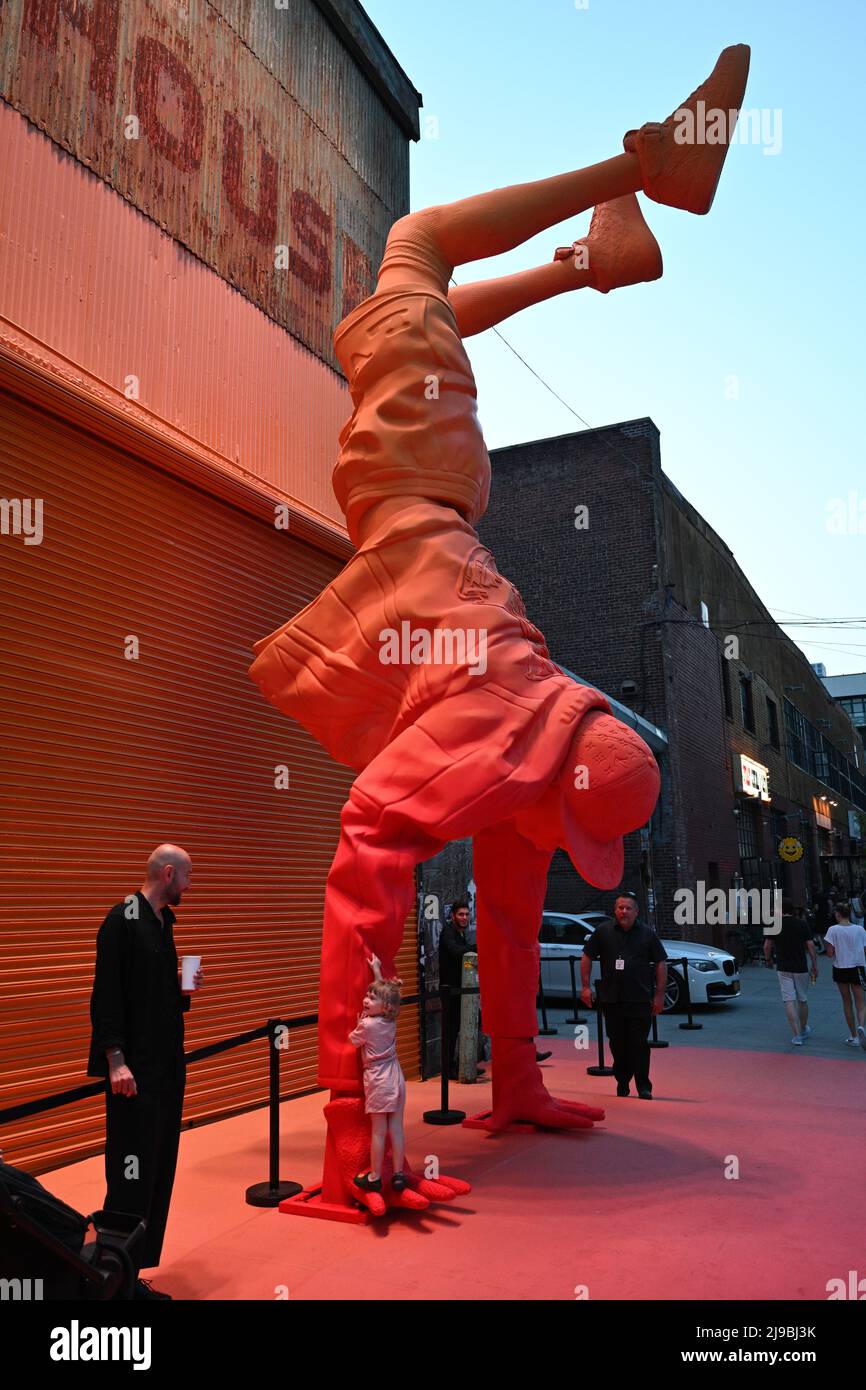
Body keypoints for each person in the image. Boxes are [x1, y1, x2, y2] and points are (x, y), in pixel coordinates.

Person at [248, 45, 749, 1207]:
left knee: (412, 256)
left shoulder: (526, 734)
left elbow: (370, 848)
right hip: (429, 522)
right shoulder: (527, 752)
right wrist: (576, 268)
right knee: (408, 269)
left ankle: (634, 179)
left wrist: (347, 1134)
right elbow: (473, 905)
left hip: (429, 520)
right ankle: (623, 202)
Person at [87, 845, 202, 1299]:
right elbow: (106, 996)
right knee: (131, 1172)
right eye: (187, 877)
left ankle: (133, 1273)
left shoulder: (164, 923)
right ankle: (115, 1278)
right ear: (168, 874)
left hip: (167, 1069)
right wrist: (115, 1059)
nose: (190, 887)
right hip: (133, 1074)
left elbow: (153, 996)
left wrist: (181, 987)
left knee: (157, 1171)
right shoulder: (120, 922)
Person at [580, 891, 667, 1098]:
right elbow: (587, 956)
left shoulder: (647, 934)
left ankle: (643, 1086)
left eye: (628, 908)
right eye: (620, 908)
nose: (624, 911)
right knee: (617, 1043)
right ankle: (622, 1081)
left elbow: (661, 963)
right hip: (611, 998)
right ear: (615, 910)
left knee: (639, 1044)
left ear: (636, 911)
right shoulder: (603, 932)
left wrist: (659, 995)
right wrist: (585, 987)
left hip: (639, 998)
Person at [349, 955, 407, 1194]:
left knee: (379, 1131)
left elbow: (353, 1041)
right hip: (396, 1076)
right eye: (367, 995)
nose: (366, 999)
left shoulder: (368, 1025)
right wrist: (377, 972)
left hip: (377, 1080)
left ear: (384, 1006)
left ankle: (374, 1176)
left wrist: (357, 1023)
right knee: (397, 1129)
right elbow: (386, 995)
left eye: (371, 997)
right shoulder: (389, 1018)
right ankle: (398, 1174)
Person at [763, 898, 818, 1046]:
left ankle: (796, 1035)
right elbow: (811, 946)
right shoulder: (802, 924)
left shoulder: (773, 924)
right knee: (802, 999)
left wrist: (768, 960)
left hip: (783, 966)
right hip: (800, 966)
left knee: (788, 999)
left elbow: (767, 945)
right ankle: (804, 1028)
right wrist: (814, 964)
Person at [438, 901, 476, 1077]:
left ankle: (460, 1065)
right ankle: (449, 1069)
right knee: (451, 1029)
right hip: (450, 989)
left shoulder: (460, 934)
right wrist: (474, 948)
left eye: (467, 914)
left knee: (459, 1027)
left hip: (458, 988)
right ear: (453, 915)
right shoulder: (448, 933)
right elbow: (455, 952)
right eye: (461, 914)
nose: (465, 918)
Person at [824, 901, 866, 1049]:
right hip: (857, 967)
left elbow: (829, 953)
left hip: (840, 967)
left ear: (837, 914)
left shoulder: (832, 930)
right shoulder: (860, 930)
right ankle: (861, 1026)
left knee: (846, 1001)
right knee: (860, 1002)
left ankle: (853, 1035)